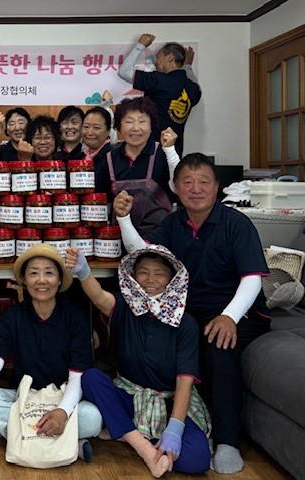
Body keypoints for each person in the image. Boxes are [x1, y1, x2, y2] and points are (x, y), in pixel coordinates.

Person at [113, 153, 271, 474]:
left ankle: (227, 440)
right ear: (176, 187)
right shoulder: (173, 223)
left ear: (217, 187)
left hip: (238, 312)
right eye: (187, 182)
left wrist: (229, 316)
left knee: (219, 347)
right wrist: (124, 219)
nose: (195, 189)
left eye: (203, 182)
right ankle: (163, 417)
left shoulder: (236, 223)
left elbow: (252, 278)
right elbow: (143, 254)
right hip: (190, 313)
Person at [66, 246, 211, 477]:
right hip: (129, 396)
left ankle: (123, 431)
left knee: (197, 460)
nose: (150, 280)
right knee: (91, 378)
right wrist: (83, 271)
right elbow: (99, 297)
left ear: (172, 279)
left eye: (159, 274)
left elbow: (185, 382)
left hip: (168, 403)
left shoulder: (186, 323)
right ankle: (142, 445)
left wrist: (175, 429)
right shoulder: (126, 308)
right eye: (143, 272)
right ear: (133, 276)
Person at [0, 244, 102, 463]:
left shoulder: (74, 318)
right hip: (23, 399)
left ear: (59, 280)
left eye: (49, 273)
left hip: (61, 396)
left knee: (93, 418)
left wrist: (62, 412)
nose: (41, 280)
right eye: (33, 273)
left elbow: (77, 377)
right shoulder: (13, 316)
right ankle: (64, 441)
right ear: (24, 280)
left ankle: (18, 435)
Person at [94, 96, 180, 235]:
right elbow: (101, 202)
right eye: (129, 121)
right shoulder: (109, 159)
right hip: (119, 237)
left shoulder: (163, 154)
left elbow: (178, 188)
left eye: (142, 121)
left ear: (151, 126)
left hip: (159, 237)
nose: (135, 128)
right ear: (119, 127)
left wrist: (170, 151)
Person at [117, 33, 201, 157]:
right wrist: (187, 65)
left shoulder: (159, 81)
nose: (155, 63)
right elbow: (194, 82)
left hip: (151, 153)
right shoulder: (193, 88)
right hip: (174, 154)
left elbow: (124, 72)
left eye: (158, 57)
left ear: (170, 58)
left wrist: (140, 45)